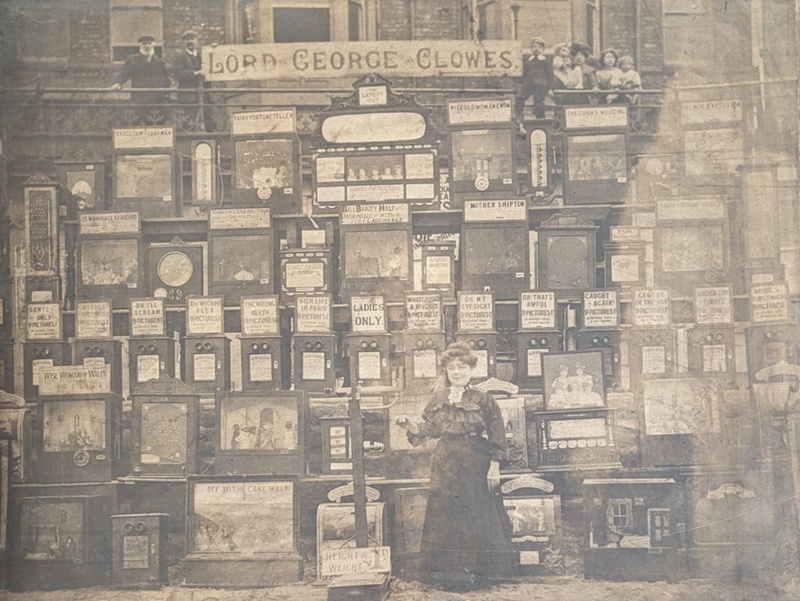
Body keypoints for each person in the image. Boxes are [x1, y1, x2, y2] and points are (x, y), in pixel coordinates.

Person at [395, 342, 515, 589]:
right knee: (446, 514)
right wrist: (410, 425)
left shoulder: (484, 399)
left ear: (471, 369)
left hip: (475, 462)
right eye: (452, 368)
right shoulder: (439, 399)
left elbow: (497, 434)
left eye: (462, 367)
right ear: (446, 372)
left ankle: (478, 575)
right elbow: (429, 430)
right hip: (446, 463)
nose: (457, 372)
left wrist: (495, 466)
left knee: (475, 513)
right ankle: (448, 575)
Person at [111, 35, 171, 124]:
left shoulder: (159, 61)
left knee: (157, 124)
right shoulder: (133, 59)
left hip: (157, 99)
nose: (147, 46)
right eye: (144, 44)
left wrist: (167, 92)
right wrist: (118, 83)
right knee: (137, 123)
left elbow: (165, 77)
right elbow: (124, 73)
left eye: (149, 43)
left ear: (153, 45)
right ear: (140, 45)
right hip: (140, 98)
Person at [172, 30, 209, 128]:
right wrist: (195, 73)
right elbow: (177, 73)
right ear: (184, 43)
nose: (190, 42)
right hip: (187, 94)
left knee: (203, 119)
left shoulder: (201, 57)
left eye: (192, 39)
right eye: (187, 40)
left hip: (200, 94)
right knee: (187, 120)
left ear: (197, 41)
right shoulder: (180, 57)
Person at [515, 37, 554, 119]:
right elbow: (524, 74)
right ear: (531, 48)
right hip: (528, 83)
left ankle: (540, 118)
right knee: (519, 97)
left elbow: (550, 75)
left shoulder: (546, 61)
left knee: (538, 100)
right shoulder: (528, 61)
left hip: (541, 84)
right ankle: (519, 115)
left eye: (539, 47)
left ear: (543, 49)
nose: (536, 49)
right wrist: (521, 84)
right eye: (534, 47)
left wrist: (550, 88)